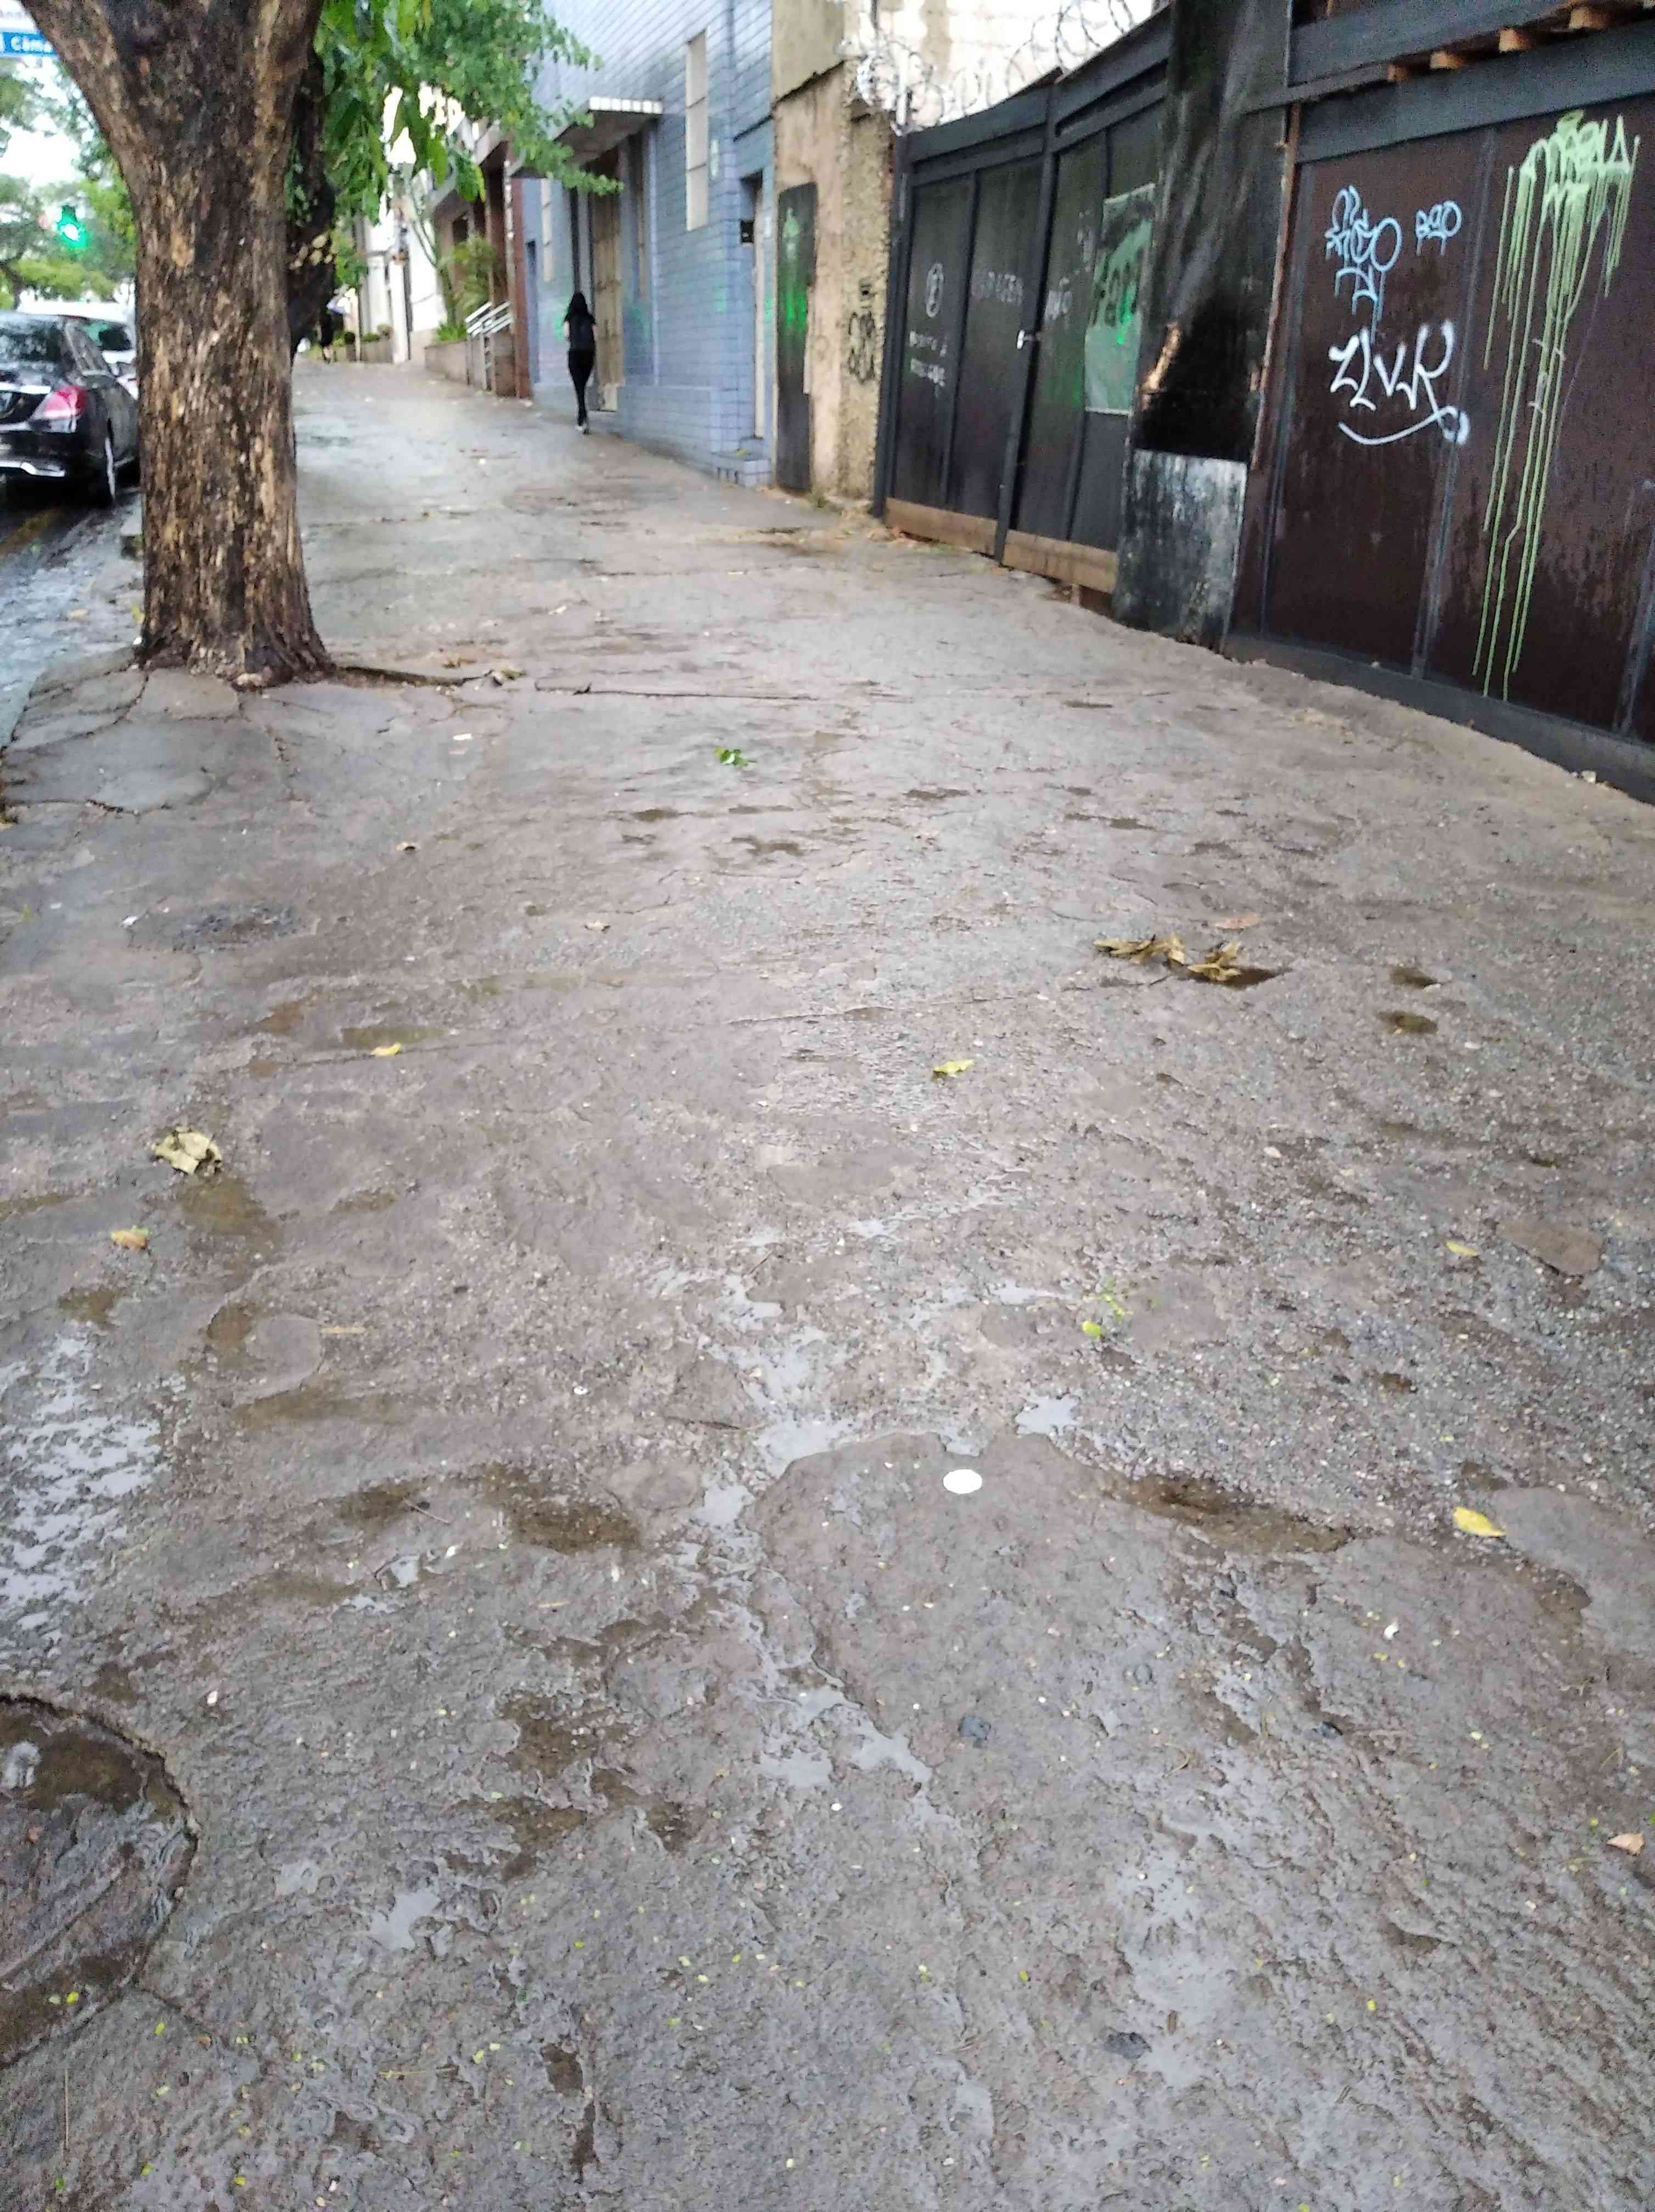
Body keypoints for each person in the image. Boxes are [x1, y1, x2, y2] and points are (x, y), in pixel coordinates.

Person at [563, 290, 596, 432]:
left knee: (579, 389)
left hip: (575, 355)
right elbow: (595, 337)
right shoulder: (590, 318)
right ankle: (582, 418)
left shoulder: (569, 318)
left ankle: (582, 418)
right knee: (583, 385)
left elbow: (566, 336)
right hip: (588, 355)